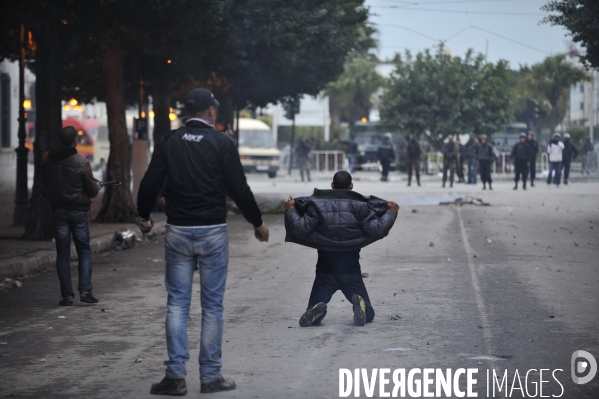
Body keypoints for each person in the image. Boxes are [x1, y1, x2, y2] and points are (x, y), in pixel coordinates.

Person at [136, 88, 270, 395]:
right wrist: (257, 223)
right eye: (215, 109)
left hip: (178, 231)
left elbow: (149, 183)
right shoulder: (222, 142)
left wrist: (143, 215)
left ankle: (174, 377)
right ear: (209, 112)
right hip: (212, 232)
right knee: (212, 306)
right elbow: (239, 189)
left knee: (177, 304)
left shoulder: (169, 141)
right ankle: (210, 377)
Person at [284, 171, 398, 327]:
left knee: (313, 316)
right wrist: (391, 211)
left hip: (325, 272)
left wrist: (291, 209)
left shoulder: (316, 205)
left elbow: (300, 229)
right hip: (351, 272)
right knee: (369, 314)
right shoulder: (362, 207)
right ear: (351, 186)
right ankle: (359, 303)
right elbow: (378, 229)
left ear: (332, 185)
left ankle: (318, 310)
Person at [43, 126, 100, 306]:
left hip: (58, 210)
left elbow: (47, 180)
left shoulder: (50, 159)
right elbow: (92, 191)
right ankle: (85, 291)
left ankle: (67, 296)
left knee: (63, 254)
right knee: (84, 250)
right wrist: (96, 185)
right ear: (75, 140)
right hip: (79, 212)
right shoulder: (82, 163)